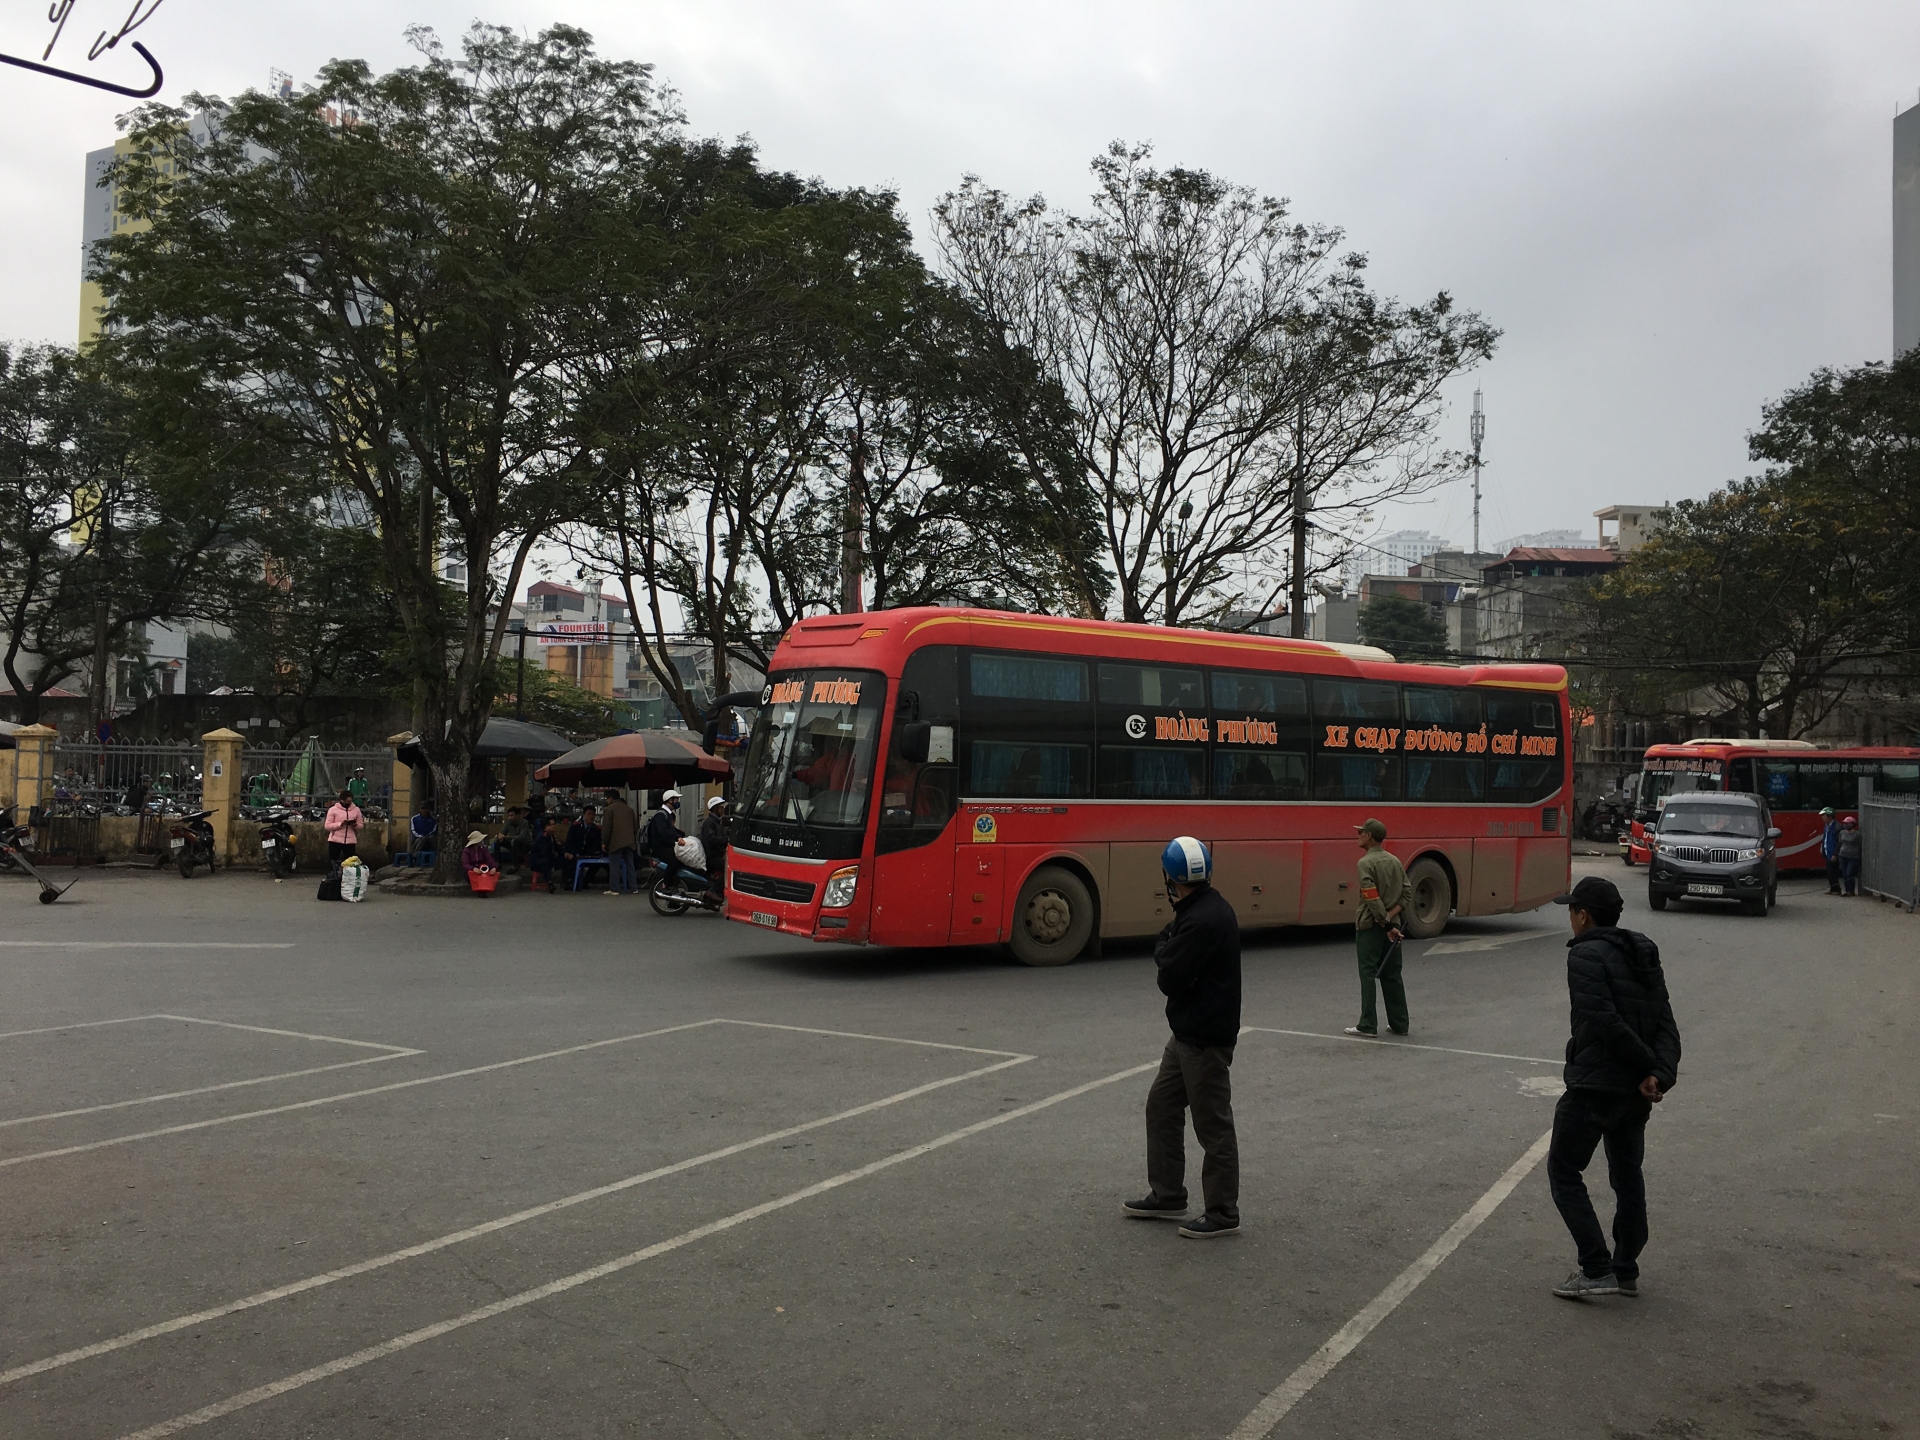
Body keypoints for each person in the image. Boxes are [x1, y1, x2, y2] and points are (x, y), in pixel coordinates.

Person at [1546, 875, 1682, 1300]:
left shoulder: (1584, 956)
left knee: (1564, 1170)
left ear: (1583, 915)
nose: (1570, 917)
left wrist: (1646, 1066)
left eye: (1571, 909)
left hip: (1594, 1084)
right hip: (1634, 1092)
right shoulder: (1641, 950)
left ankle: (1595, 1266)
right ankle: (1625, 1269)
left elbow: (1603, 1021)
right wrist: (1658, 1073)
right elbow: (1664, 1021)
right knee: (1626, 1174)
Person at [1123, 836, 1242, 1239]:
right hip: (1187, 1033)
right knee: (1161, 1107)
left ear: (1171, 878)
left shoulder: (1202, 919)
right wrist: (1167, 947)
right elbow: (1169, 942)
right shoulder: (1201, 907)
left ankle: (1223, 1212)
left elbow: (1168, 976)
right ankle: (1168, 1193)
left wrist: (1163, 950)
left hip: (1204, 1038)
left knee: (1213, 1126)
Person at [1345, 818, 1410, 1039]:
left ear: (1369, 836)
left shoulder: (1365, 863)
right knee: (1392, 974)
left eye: (1361, 832)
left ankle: (1368, 1024)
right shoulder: (1395, 861)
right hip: (1393, 925)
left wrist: (1384, 922)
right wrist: (1392, 919)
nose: (1358, 835)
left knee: (1368, 973)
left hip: (1371, 926)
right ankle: (1400, 1023)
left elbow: (1370, 896)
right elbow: (1406, 894)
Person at [602, 789, 639, 896]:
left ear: (610, 798)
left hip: (616, 841)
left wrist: (604, 841)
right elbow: (635, 827)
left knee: (614, 865)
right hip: (629, 841)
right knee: (630, 864)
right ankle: (634, 887)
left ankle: (615, 888)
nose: (607, 801)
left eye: (607, 798)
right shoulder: (629, 809)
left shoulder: (609, 809)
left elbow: (606, 828)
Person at [563, 805, 603, 892]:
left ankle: (585, 882)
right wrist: (570, 852)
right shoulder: (575, 827)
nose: (591, 817)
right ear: (584, 815)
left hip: (589, 853)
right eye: (589, 814)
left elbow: (597, 844)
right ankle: (569, 882)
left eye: (593, 814)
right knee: (568, 860)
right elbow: (569, 841)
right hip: (575, 852)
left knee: (597, 863)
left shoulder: (596, 829)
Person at [323, 788, 363, 866]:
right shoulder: (333, 810)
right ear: (341, 800)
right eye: (346, 801)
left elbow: (360, 825)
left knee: (351, 863)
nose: (348, 803)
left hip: (350, 840)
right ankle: (334, 875)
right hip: (335, 840)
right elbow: (327, 826)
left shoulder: (356, 810)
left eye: (350, 801)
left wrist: (354, 825)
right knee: (333, 861)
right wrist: (341, 824)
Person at [699, 795, 729, 897]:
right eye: (721, 807)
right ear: (715, 808)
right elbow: (711, 840)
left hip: (716, 854)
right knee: (727, 869)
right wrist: (726, 839)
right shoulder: (710, 822)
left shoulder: (717, 822)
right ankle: (713, 891)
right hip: (711, 857)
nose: (723, 809)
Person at [527, 819, 564, 895]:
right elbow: (544, 853)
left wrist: (565, 854)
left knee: (565, 860)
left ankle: (567, 881)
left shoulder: (551, 836)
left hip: (548, 858)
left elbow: (557, 848)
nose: (555, 826)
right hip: (537, 861)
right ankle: (549, 882)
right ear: (546, 826)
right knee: (545, 862)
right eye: (553, 824)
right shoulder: (542, 837)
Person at [1837, 814, 1863, 896]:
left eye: (1848, 823)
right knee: (1844, 874)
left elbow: (1860, 845)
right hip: (1843, 855)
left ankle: (1851, 890)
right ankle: (1848, 890)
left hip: (1853, 856)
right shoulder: (1842, 833)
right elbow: (1840, 842)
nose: (1845, 825)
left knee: (1849, 873)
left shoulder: (1857, 834)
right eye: (1844, 823)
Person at [1820, 807, 1841, 894]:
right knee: (1829, 872)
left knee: (1833, 871)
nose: (1822, 818)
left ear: (1830, 817)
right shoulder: (1826, 826)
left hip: (1833, 853)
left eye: (1824, 816)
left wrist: (1835, 854)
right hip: (1827, 852)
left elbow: (1839, 842)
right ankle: (1833, 888)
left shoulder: (1837, 827)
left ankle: (1837, 889)